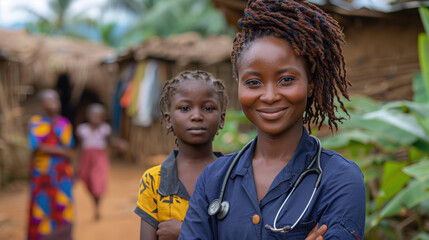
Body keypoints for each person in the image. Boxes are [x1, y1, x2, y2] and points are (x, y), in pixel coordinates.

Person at [179, 1, 366, 239]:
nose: (269, 96)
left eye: (286, 80)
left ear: (310, 83)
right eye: (254, 82)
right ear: (238, 85)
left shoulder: (339, 180)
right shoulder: (213, 180)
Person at [134, 70, 327, 240]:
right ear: (168, 119)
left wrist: (185, 231)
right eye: (185, 108)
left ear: (222, 118)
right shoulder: (154, 181)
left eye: (208, 108)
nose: (196, 116)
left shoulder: (238, 177)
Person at [27, 89, 75, 240]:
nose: (54, 103)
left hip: (62, 173)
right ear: (42, 104)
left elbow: (70, 147)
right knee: (41, 205)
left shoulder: (64, 123)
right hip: (41, 173)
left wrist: (64, 154)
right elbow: (37, 146)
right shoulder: (36, 122)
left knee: (63, 202)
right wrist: (61, 151)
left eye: (56, 100)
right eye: (50, 100)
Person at [76, 103, 127, 220]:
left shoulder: (105, 129)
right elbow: (80, 147)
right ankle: (94, 199)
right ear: (88, 116)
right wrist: (77, 163)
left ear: (103, 117)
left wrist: (119, 144)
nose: (96, 118)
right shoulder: (82, 130)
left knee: (97, 181)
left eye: (99, 116)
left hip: (99, 158)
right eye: (93, 115)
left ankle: (97, 207)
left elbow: (110, 142)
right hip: (86, 159)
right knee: (87, 180)